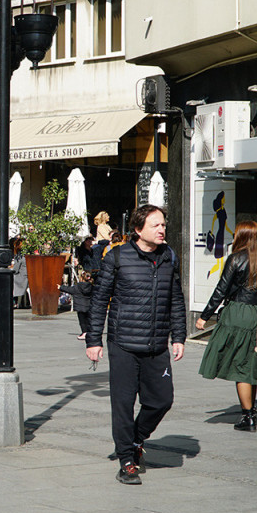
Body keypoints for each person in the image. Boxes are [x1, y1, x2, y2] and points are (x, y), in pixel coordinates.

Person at [86, 205, 186, 486]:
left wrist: (179, 336)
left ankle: (136, 438)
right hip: (124, 345)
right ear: (138, 229)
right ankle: (127, 460)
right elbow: (99, 301)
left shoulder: (168, 257)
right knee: (123, 404)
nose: (162, 229)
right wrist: (94, 340)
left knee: (162, 400)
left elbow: (175, 299)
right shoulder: (117, 257)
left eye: (163, 224)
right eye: (156, 225)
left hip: (157, 344)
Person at [196, 221, 257, 431]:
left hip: (238, 314)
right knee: (250, 366)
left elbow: (221, 290)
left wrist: (204, 316)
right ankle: (252, 410)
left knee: (240, 367)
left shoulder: (236, 258)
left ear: (242, 236)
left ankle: (248, 416)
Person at [60, 271, 93, 339]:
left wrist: (60, 287)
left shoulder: (77, 287)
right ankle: (89, 332)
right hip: (89, 306)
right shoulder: (91, 287)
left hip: (80, 306)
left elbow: (69, 289)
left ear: (81, 278)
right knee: (88, 320)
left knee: (82, 321)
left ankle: (84, 332)